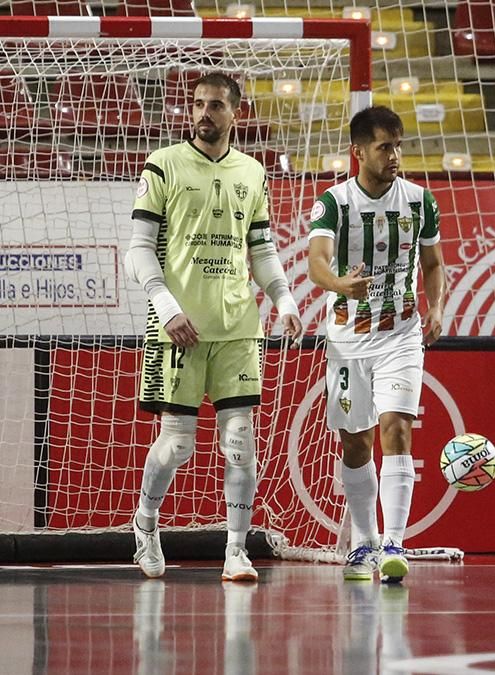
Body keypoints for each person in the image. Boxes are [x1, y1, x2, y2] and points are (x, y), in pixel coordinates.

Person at [126, 72, 302, 583]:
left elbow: (263, 250)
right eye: (198, 104)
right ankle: (145, 523)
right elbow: (138, 247)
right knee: (178, 444)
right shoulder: (163, 164)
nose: (205, 113)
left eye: (216, 105)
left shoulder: (253, 172)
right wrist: (165, 305)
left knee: (241, 440)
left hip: (238, 329)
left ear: (235, 113)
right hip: (177, 329)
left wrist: (284, 298)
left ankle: (236, 551)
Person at [306, 105, 446, 583]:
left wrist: (437, 306)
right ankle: (363, 543)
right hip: (348, 340)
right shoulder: (333, 203)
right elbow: (317, 264)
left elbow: (433, 265)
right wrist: (342, 285)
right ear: (358, 151)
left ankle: (394, 543)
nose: (395, 155)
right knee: (355, 443)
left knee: (397, 428)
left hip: (400, 335)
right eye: (385, 146)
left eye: (399, 146)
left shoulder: (420, 200)